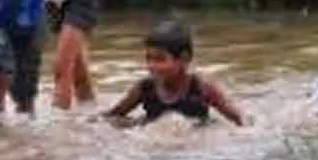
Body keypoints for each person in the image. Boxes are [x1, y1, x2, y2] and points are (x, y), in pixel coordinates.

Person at [101, 20, 245, 127]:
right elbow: (113, 116)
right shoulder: (145, 88)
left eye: (159, 59)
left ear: (184, 59)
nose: (152, 66)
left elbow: (238, 120)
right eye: (148, 59)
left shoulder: (202, 87)